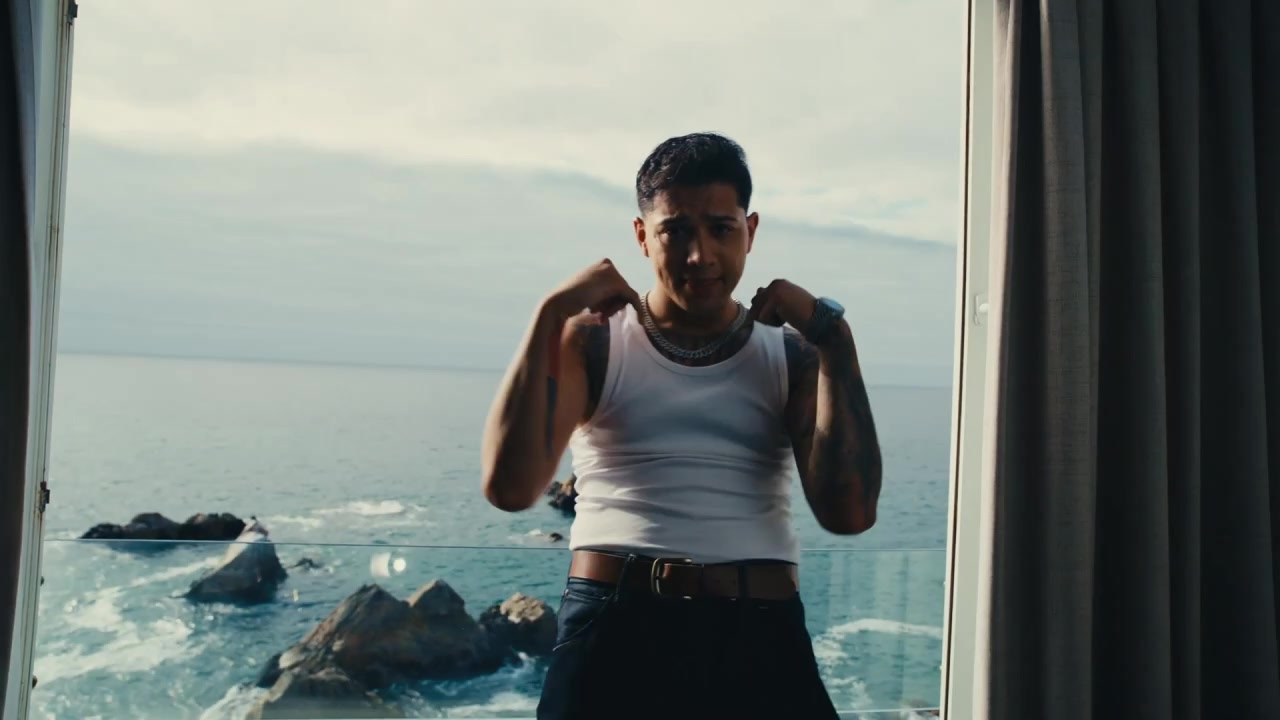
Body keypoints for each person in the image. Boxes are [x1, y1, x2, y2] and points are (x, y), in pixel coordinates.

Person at [481, 132, 882, 719]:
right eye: (676, 231)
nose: (700, 256)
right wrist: (551, 313)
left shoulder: (792, 354)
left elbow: (850, 515)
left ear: (750, 231)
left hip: (759, 634)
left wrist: (834, 339)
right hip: (614, 630)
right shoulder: (594, 342)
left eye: (721, 229)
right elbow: (510, 489)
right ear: (642, 236)